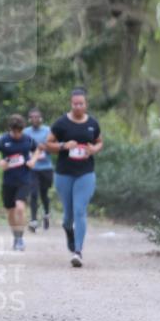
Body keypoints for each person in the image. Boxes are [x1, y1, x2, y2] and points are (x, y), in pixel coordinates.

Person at [47, 88, 102, 267]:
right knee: (68, 217)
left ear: (86, 104)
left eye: (81, 104)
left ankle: (78, 252)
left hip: (86, 172)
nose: (78, 107)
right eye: (75, 104)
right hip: (64, 173)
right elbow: (48, 144)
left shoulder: (92, 123)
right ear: (71, 104)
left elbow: (99, 141)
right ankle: (68, 230)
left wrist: (94, 149)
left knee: (80, 210)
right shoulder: (61, 123)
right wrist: (63, 145)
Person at [0, 114, 42, 251]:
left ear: (22, 129)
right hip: (8, 180)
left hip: (24, 179)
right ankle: (16, 236)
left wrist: (33, 161)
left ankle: (20, 238)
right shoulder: (2, 140)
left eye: (19, 131)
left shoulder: (28, 140)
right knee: (10, 211)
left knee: (20, 207)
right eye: (14, 131)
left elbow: (37, 150)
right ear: (10, 129)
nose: (17, 134)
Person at [23, 108, 53, 232]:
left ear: (41, 118)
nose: (35, 119)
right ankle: (34, 220)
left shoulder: (48, 130)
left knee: (44, 193)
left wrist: (44, 148)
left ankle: (46, 214)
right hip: (32, 167)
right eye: (32, 117)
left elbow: (53, 146)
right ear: (30, 119)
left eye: (37, 117)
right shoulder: (26, 132)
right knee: (33, 194)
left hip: (46, 167)